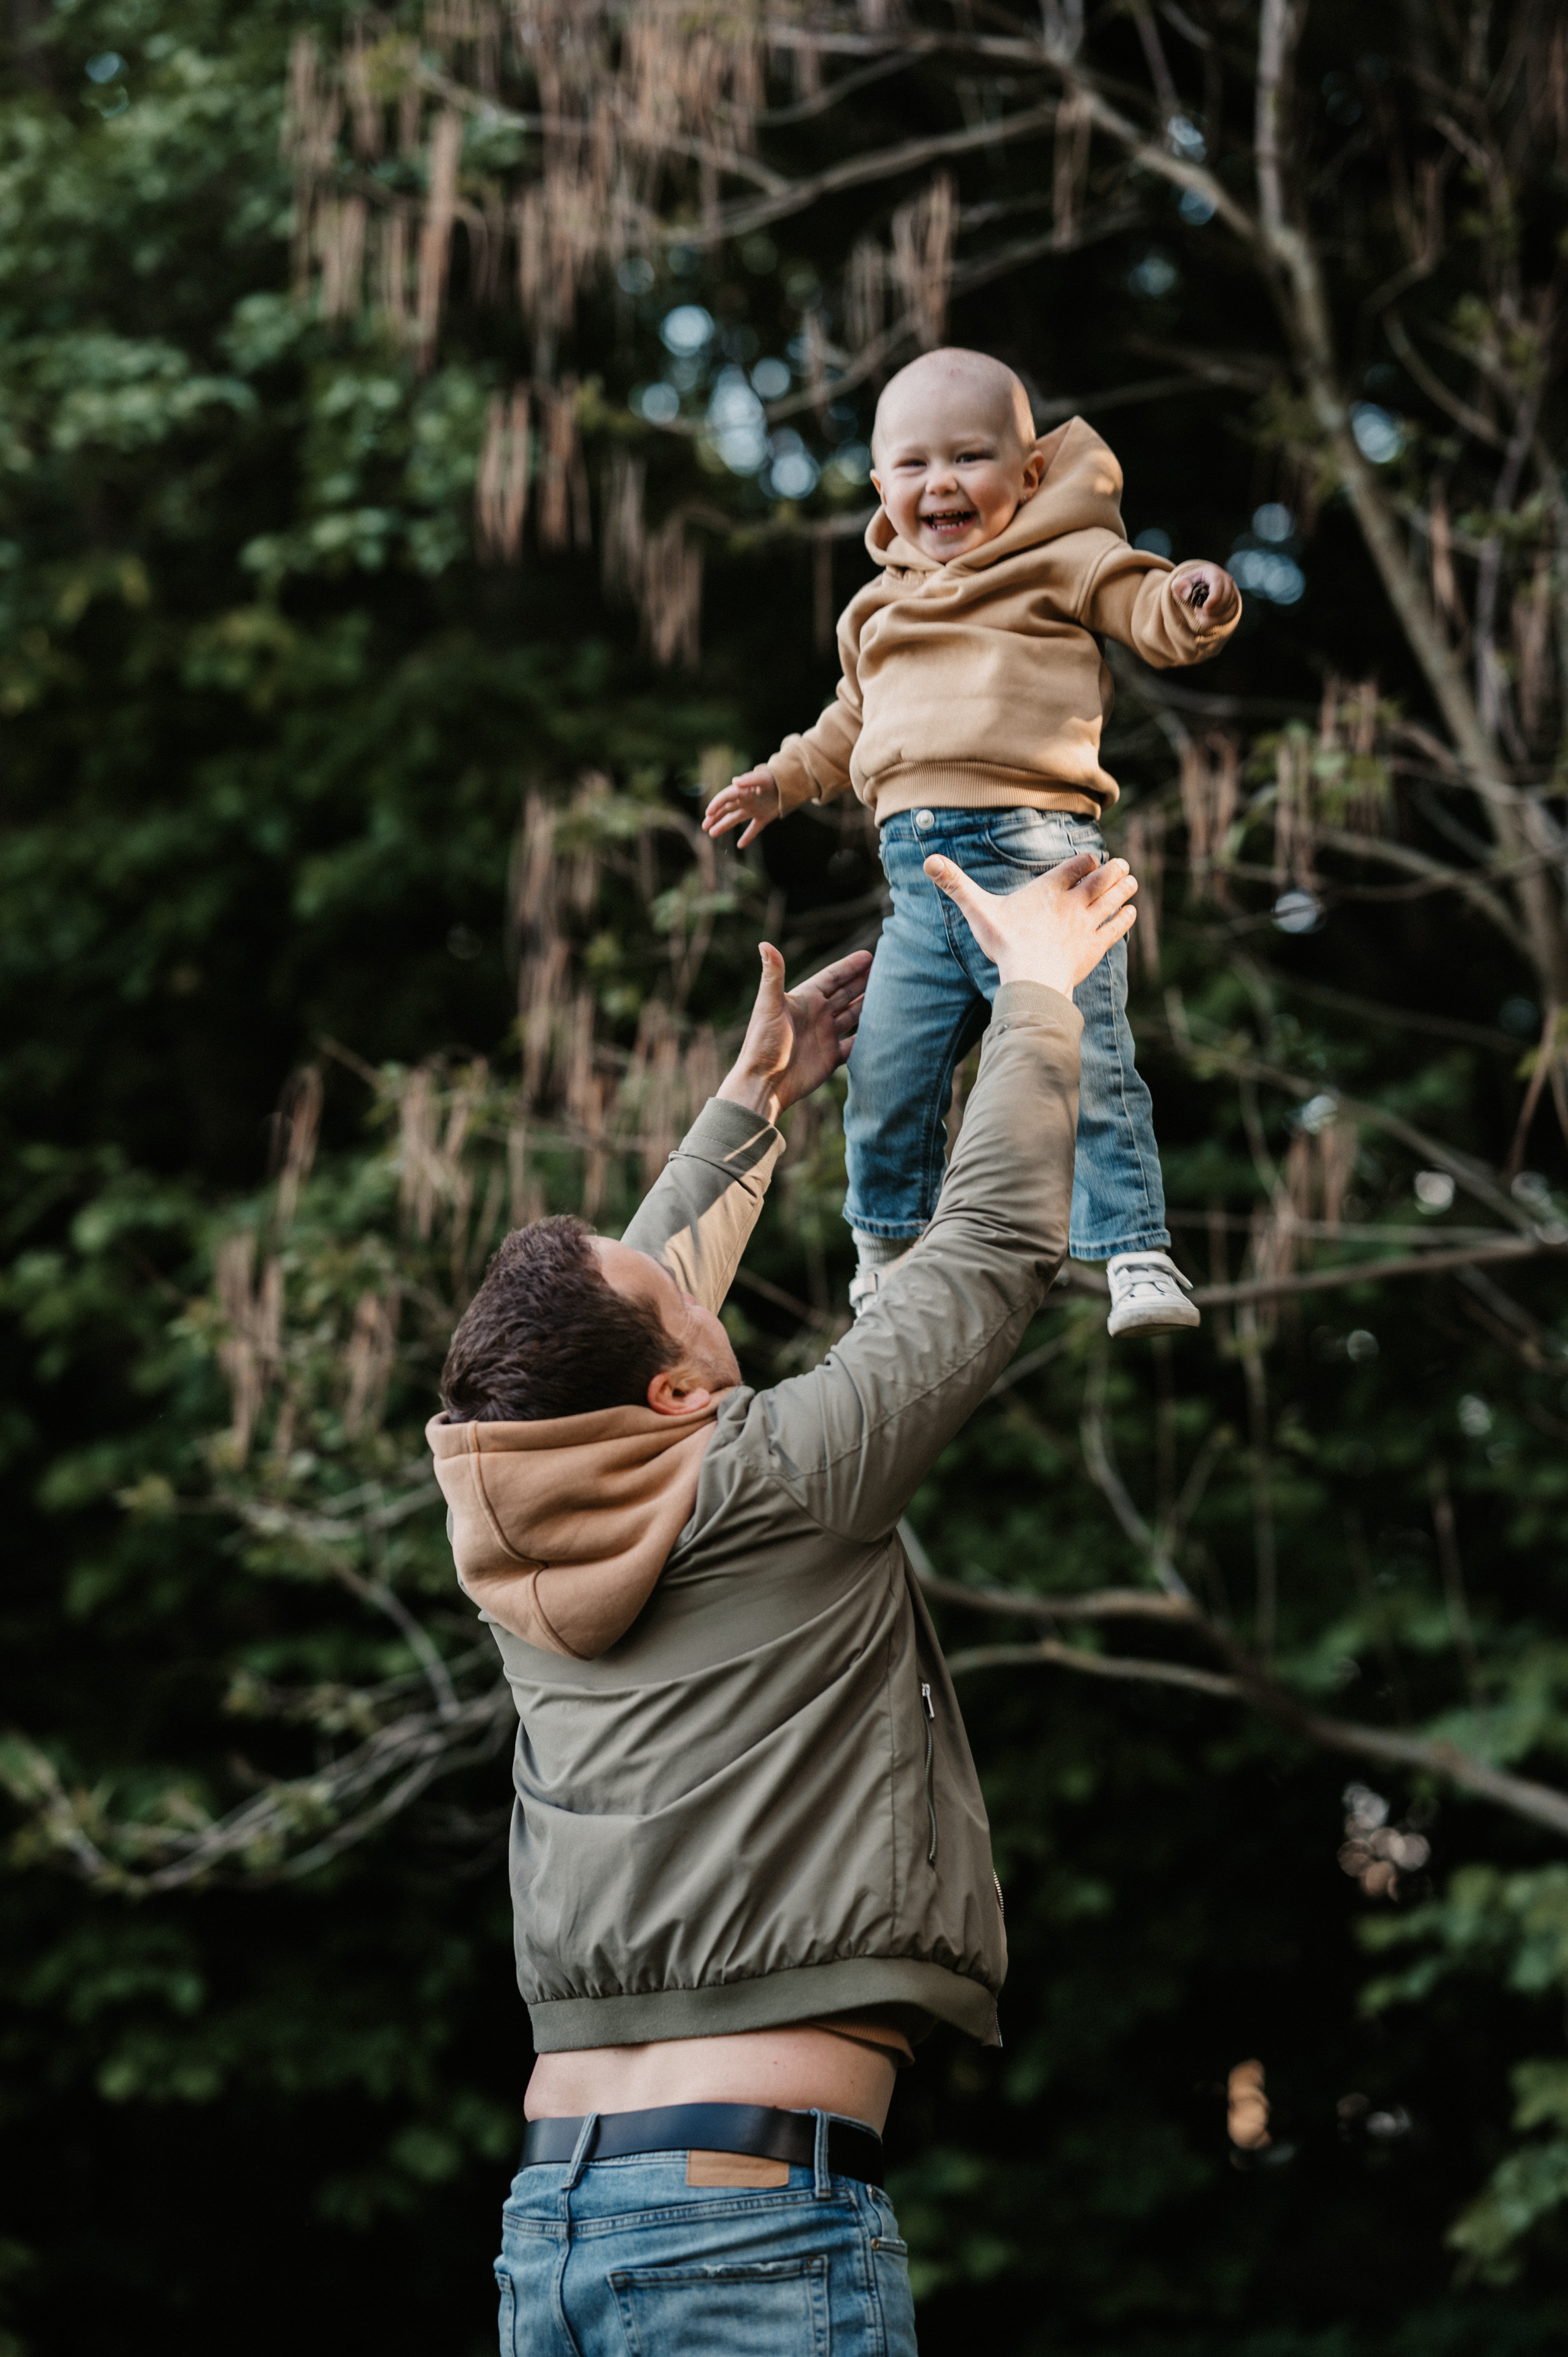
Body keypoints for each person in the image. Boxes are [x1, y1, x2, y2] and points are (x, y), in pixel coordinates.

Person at [428, 845, 1137, 2355]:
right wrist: (1035, 991)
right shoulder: (777, 1482)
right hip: (745, 2233)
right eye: (687, 1303)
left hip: (553, 2226)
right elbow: (990, 1252)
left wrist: (753, 1105)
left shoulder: (512, 1539)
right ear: (678, 1385)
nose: (700, 1282)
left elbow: (619, 1331)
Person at [703, 345, 1241, 1338]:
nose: (939, 483)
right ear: (879, 487)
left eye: (969, 458)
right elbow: (847, 724)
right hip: (919, 888)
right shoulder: (875, 608)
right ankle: (887, 1248)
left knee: (1080, 1054)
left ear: (1028, 474)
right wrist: (781, 780)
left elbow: (1143, 604)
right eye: (912, 465)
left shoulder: (1059, 556)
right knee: (887, 1073)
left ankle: (1134, 1249)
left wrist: (1191, 596)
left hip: (1036, 858)